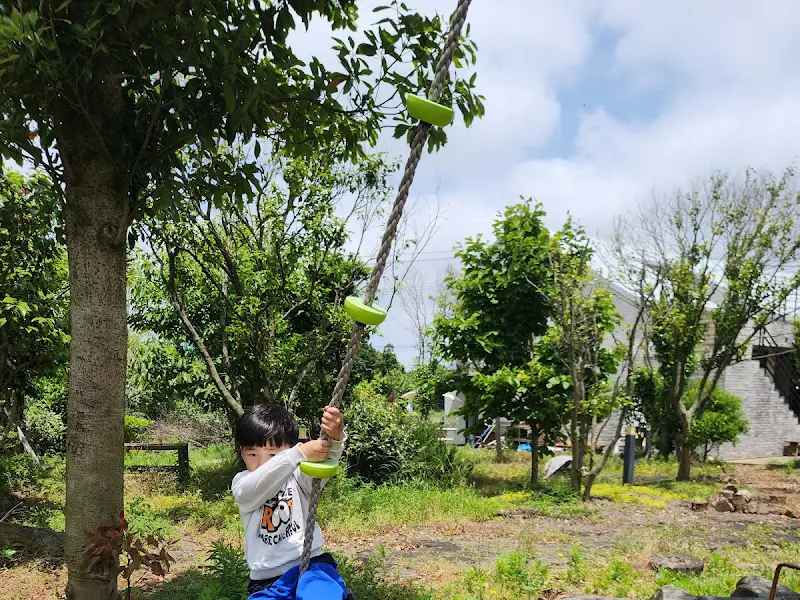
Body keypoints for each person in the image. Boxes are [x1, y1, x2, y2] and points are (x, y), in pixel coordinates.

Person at [232, 404, 351, 599]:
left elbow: (323, 462)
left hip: (312, 566)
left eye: (272, 454)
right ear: (241, 452)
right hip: (267, 581)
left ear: (289, 447)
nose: (263, 463)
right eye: (252, 454)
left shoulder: (297, 476)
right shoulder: (242, 482)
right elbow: (257, 484)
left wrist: (335, 438)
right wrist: (297, 453)